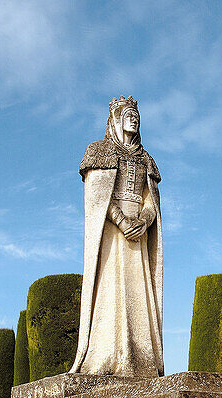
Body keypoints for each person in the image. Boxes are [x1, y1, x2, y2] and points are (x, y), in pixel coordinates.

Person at [69, 95, 165, 377]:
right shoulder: (99, 151)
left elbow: (151, 200)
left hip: (140, 232)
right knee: (112, 289)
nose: (133, 119)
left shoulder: (147, 159)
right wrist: (122, 220)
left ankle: (141, 359)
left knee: (139, 293)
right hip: (112, 232)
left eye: (136, 115)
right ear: (114, 120)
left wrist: (145, 220)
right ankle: (109, 353)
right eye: (128, 115)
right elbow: (99, 197)